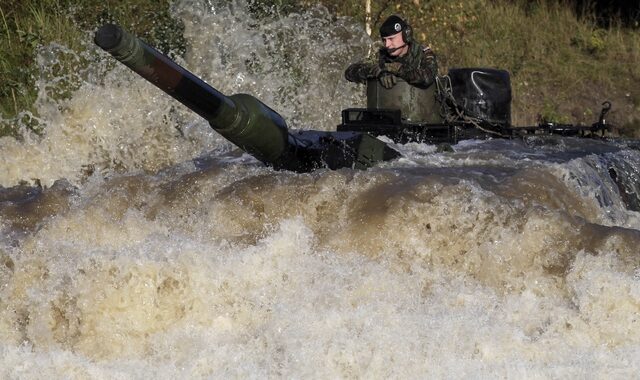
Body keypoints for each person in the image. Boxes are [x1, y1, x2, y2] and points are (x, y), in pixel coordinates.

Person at [345, 15, 438, 90]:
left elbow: (427, 77)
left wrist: (397, 69)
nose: (387, 45)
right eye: (384, 40)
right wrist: (378, 72)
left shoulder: (423, 53)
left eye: (391, 39)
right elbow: (350, 72)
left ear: (406, 36)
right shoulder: (382, 55)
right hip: (389, 107)